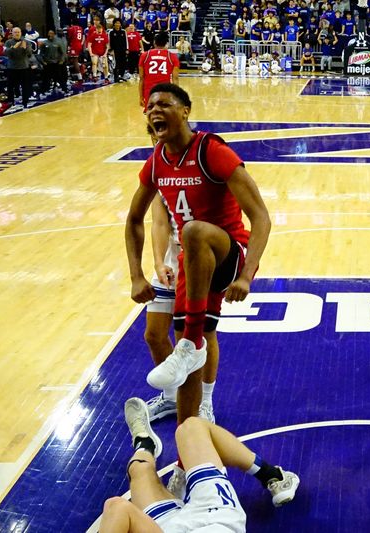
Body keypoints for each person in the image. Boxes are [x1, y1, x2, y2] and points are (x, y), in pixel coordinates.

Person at [125, 83, 271, 495]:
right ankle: (187, 458)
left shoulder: (211, 150)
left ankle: (193, 354)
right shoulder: (156, 162)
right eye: (150, 105)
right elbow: (135, 218)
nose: (155, 110)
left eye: (165, 103)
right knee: (163, 338)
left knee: (193, 233)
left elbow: (260, 216)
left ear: (186, 111)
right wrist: (137, 273)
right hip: (186, 260)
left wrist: (248, 275)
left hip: (228, 253)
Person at [98, 397, 300, 532]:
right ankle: (271, 475)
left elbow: (117, 508)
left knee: (139, 470)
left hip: (168, 527)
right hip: (214, 517)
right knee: (190, 428)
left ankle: (145, 442)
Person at [138, 32, 179, 110]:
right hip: (165, 91)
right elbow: (175, 79)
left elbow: (141, 78)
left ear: (154, 42)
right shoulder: (172, 56)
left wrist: (141, 97)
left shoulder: (144, 55)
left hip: (149, 92)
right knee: (164, 115)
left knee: (152, 117)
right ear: (166, 43)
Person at [5, 27, 34, 108]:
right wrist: (13, 48)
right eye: (15, 32)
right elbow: (6, 53)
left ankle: (25, 101)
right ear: (12, 33)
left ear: (21, 33)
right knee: (10, 86)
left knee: (25, 86)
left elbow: (29, 54)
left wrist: (24, 48)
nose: (17, 34)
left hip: (23, 67)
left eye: (18, 32)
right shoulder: (8, 42)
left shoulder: (26, 42)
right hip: (12, 67)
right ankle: (11, 102)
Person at [88, 15, 111, 82]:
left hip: (102, 51)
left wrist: (105, 53)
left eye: (100, 29)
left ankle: (106, 77)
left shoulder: (104, 35)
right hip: (95, 51)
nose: (99, 30)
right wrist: (90, 52)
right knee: (94, 63)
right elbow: (89, 43)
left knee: (105, 65)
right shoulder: (92, 33)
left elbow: (107, 45)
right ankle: (94, 76)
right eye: (94, 20)